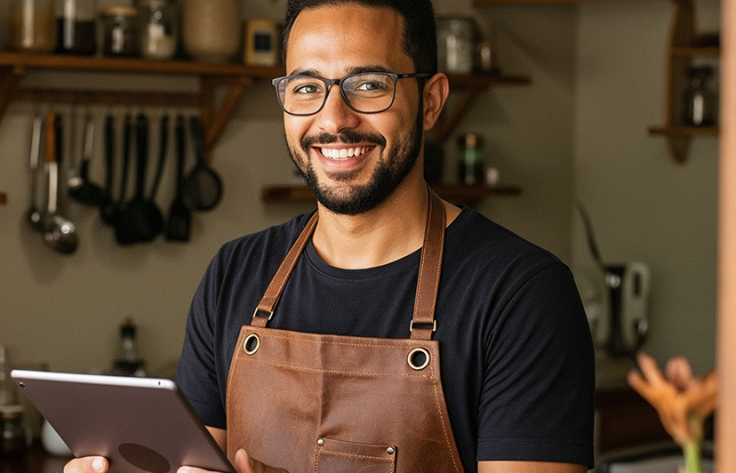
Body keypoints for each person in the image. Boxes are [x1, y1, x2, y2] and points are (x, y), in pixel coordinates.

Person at [66, 0, 595, 472]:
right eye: (306, 87)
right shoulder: (235, 274)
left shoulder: (523, 293)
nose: (333, 119)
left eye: (368, 84)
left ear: (431, 101)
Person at [627, 353, 718, 446]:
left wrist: (651, 371)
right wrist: (650, 371)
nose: (678, 378)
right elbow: (634, 379)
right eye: (673, 375)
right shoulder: (669, 395)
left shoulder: (689, 395)